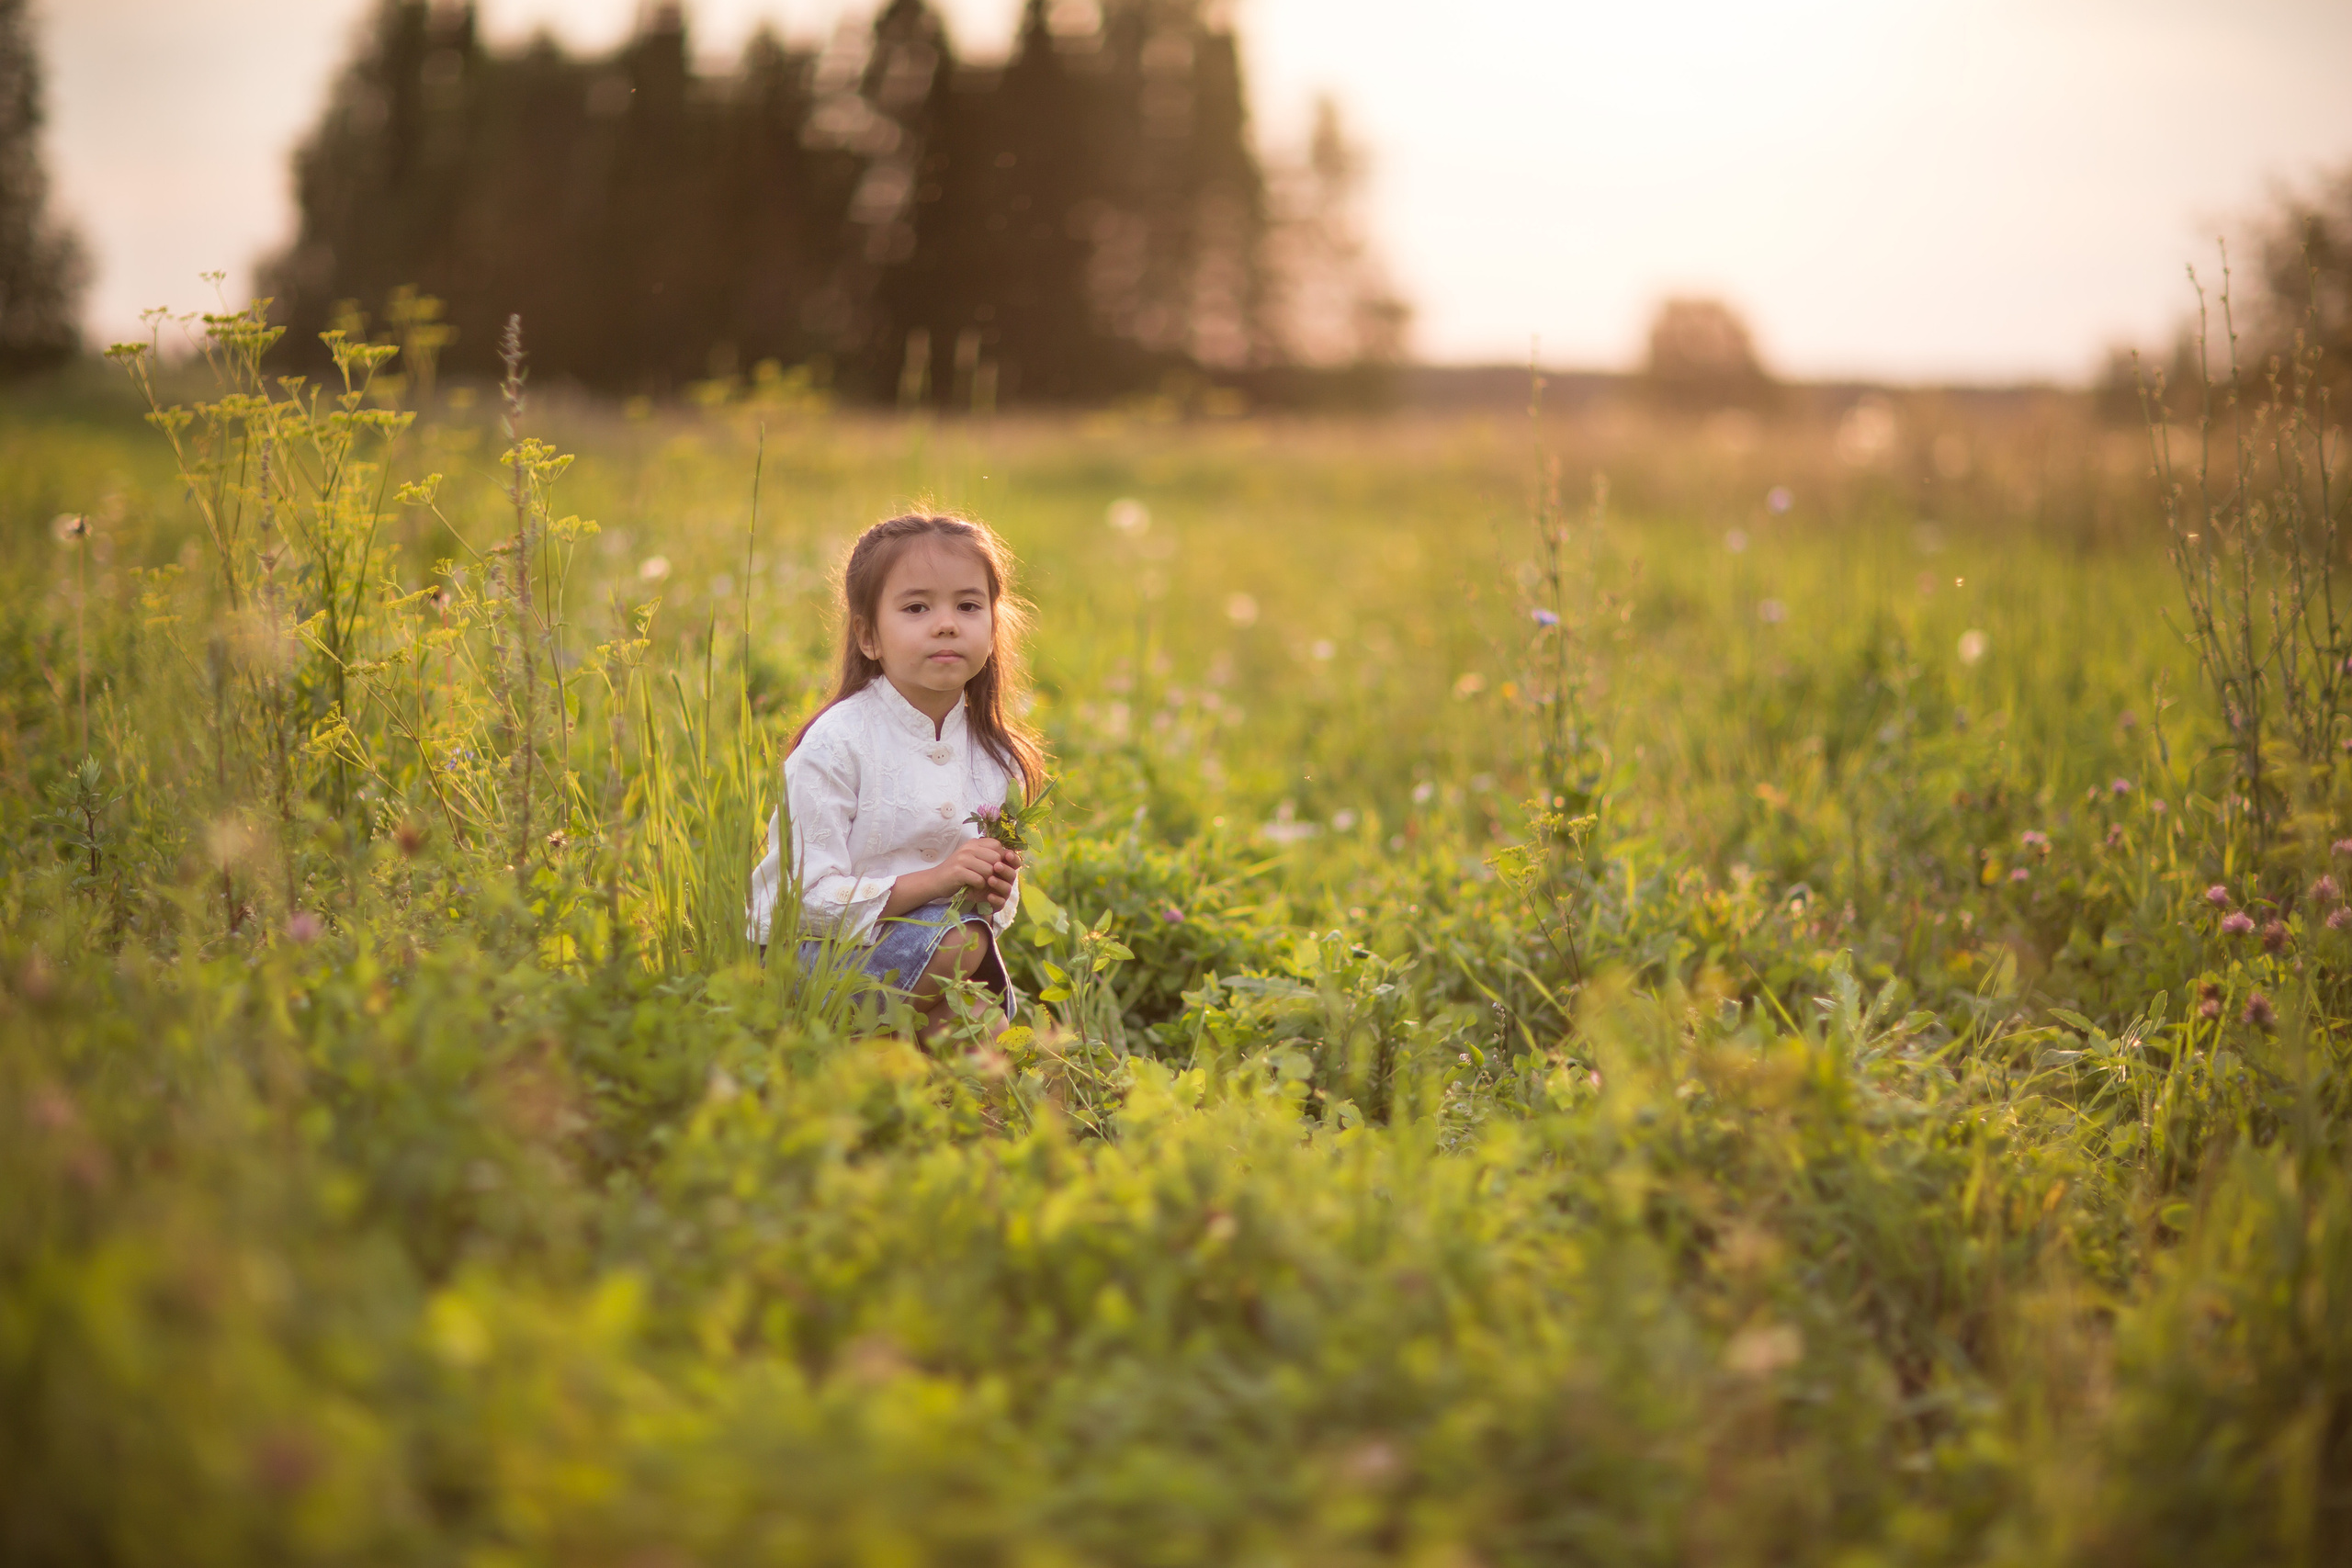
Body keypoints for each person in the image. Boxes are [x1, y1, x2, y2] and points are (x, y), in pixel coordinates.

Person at [747, 512, 1047, 1041]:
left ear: (994, 625)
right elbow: (794, 899)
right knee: (963, 944)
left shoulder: (995, 756)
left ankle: (886, 1055)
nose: (947, 623)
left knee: (985, 1030)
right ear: (869, 637)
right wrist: (938, 880)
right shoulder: (838, 744)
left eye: (969, 605)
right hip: (820, 963)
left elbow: (986, 916)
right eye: (916, 608)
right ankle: (839, 1040)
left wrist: (994, 889)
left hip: (928, 961)